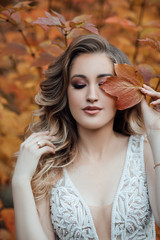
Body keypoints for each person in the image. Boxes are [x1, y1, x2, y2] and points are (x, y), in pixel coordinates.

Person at [12, 34, 160, 240]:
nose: (91, 95)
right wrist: (20, 180)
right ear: (65, 92)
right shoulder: (47, 164)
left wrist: (156, 131)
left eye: (104, 84)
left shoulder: (147, 150)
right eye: (79, 85)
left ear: (122, 91)